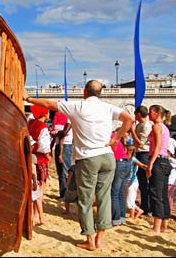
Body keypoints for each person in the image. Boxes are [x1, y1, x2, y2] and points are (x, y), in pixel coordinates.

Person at [23, 80, 134, 251]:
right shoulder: (107, 107)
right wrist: (116, 138)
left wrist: (29, 98)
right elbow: (129, 118)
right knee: (104, 198)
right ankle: (100, 239)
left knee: (86, 200)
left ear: (84, 91)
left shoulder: (77, 107)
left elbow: (49, 104)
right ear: (100, 93)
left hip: (88, 158)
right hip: (107, 156)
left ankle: (89, 239)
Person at [147, 105, 171, 234]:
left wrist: (150, 163)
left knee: (156, 193)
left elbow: (157, 146)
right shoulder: (165, 128)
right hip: (165, 161)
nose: (149, 115)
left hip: (158, 160)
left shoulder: (156, 126)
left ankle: (156, 227)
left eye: (151, 112)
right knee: (163, 195)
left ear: (156, 113)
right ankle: (164, 226)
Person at [29, 105, 51, 225]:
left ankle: (34, 215)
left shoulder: (31, 123)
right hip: (40, 159)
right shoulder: (42, 127)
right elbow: (44, 146)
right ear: (44, 114)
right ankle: (37, 215)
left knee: (34, 185)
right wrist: (48, 155)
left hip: (32, 157)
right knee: (40, 188)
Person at [130, 106, 153, 215]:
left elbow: (140, 143)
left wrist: (133, 131)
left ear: (139, 114)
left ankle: (147, 206)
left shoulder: (146, 126)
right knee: (141, 181)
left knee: (144, 180)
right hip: (139, 153)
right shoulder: (140, 125)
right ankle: (145, 205)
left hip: (144, 153)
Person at [110, 129, 131, 226]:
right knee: (120, 193)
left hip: (119, 162)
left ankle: (115, 218)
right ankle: (122, 217)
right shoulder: (116, 135)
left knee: (114, 193)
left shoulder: (109, 135)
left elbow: (113, 149)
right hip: (126, 162)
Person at [124, 145, 146, 219]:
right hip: (127, 181)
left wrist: (148, 168)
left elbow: (142, 165)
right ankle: (138, 211)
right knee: (128, 198)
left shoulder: (133, 159)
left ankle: (133, 214)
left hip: (132, 182)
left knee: (130, 198)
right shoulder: (126, 159)